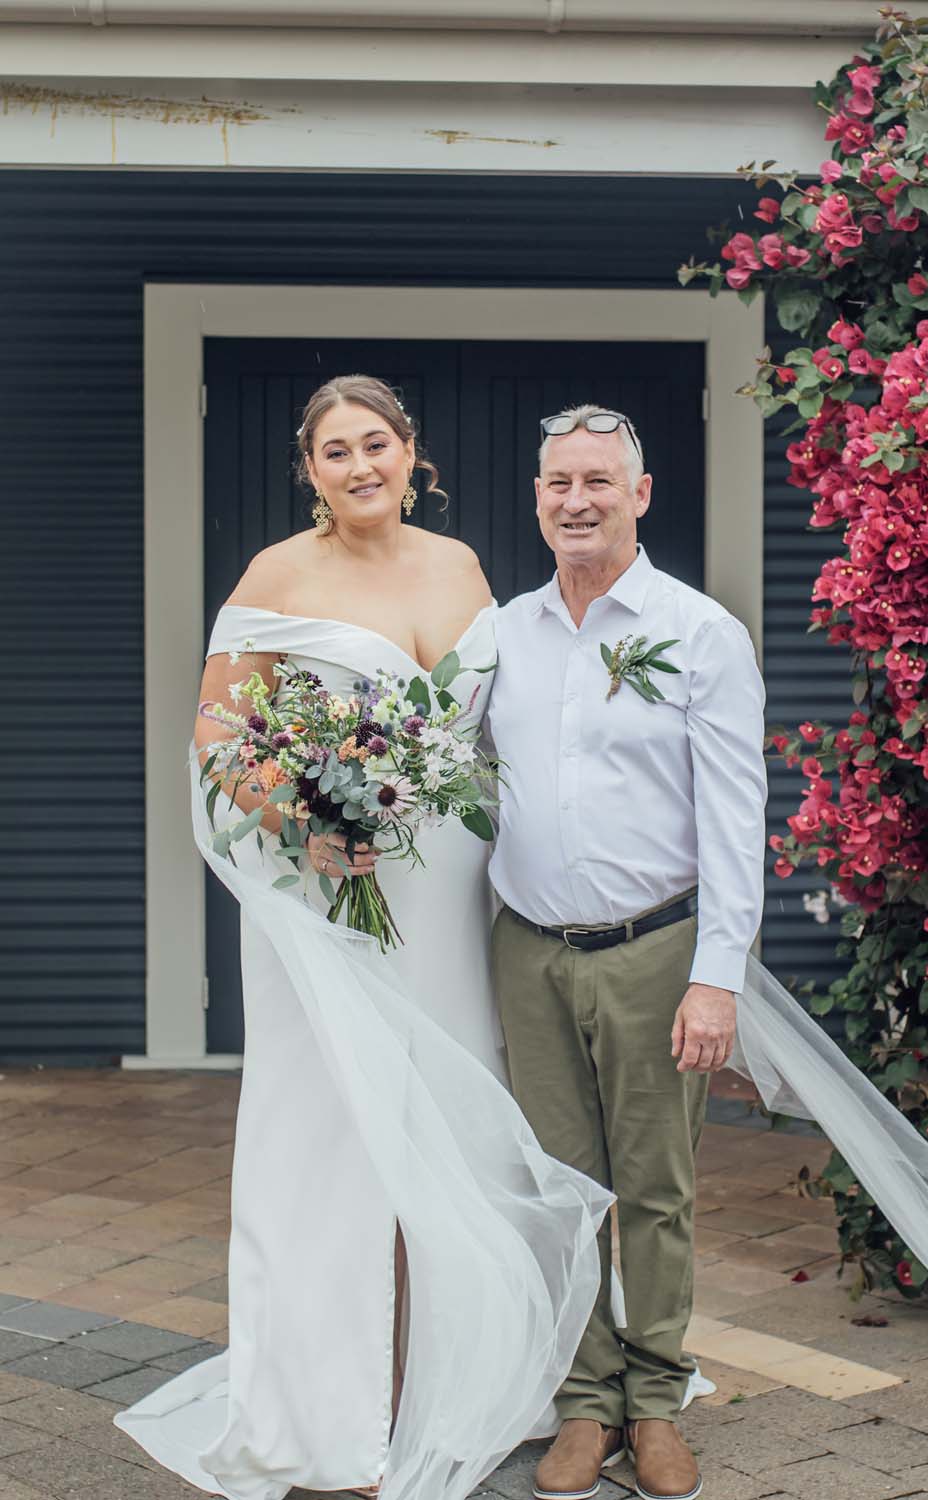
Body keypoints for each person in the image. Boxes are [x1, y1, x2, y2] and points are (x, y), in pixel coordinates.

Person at [113, 375, 613, 1500]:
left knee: (459, 1120)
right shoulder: (275, 578)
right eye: (334, 452)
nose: (359, 466)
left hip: (449, 890)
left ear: (410, 451)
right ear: (311, 470)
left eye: (374, 443)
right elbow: (220, 740)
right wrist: (306, 817)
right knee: (327, 1133)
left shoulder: (463, 566)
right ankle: (318, 1410)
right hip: (330, 893)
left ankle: (482, 1376)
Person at [488, 405, 768, 1500]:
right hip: (526, 951)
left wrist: (717, 976)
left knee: (653, 1190)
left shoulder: (699, 633)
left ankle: (656, 1399)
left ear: (639, 495)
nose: (576, 500)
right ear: (539, 495)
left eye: (598, 481)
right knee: (558, 1188)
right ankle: (582, 1404)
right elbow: (433, 763)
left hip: (656, 951)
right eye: (559, 481)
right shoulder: (501, 631)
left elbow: (734, 822)